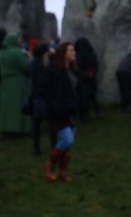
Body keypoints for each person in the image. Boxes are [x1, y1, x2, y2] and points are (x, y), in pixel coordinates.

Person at [44, 42, 79, 182]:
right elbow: (51, 92)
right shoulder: (54, 70)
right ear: (63, 52)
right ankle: (49, 165)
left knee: (70, 143)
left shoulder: (72, 68)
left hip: (72, 109)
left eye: (73, 50)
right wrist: (56, 107)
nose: (74, 53)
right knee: (67, 139)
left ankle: (63, 170)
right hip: (60, 110)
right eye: (71, 50)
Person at [0, 33, 31, 135]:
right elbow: (27, 67)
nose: (20, 41)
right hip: (18, 82)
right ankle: (18, 128)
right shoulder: (18, 53)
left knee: (6, 106)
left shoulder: (2, 53)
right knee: (18, 106)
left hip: (5, 82)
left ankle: (5, 127)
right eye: (18, 40)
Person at [29, 42, 56, 155]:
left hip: (36, 94)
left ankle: (36, 148)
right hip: (47, 95)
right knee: (52, 123)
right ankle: (54, 147)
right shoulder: (48, 64)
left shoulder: (32, 63)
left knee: (37, 123)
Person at [74, 37, 99, 121]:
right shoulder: (92, 54)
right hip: (91, 78)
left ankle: (82, 115)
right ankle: (95, 111)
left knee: (82, 97)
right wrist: (92, 73)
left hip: (83, 79)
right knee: (92, 96)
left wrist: (79, 74)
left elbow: (77, 69)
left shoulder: (79, 56)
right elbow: (96, 66)